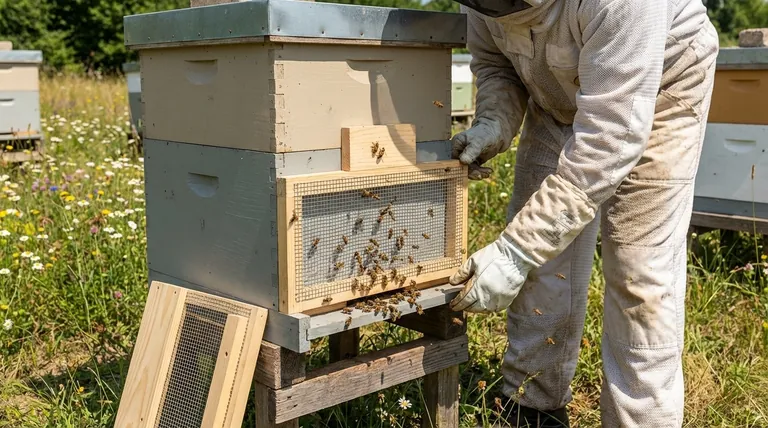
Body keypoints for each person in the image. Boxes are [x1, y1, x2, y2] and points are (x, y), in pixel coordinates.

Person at [447, 0, 719, 426]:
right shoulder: (481, 6)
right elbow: (496, 64)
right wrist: (494, 121)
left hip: (662, 86)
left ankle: (641, 418)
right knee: (540, 267)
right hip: (556, 100)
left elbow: (611, 135)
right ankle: (534, 404)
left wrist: (516, 250)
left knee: (640, 275)